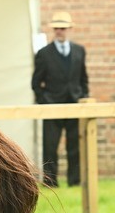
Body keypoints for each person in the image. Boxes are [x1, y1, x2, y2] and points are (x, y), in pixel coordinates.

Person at [31, 10, 89, 187]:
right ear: (53, 30)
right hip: (52, 107)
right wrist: (45, 101)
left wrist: (83, 96)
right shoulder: (44, 53)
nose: (59, 31)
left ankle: (75, 180)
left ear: (69, 29)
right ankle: (50, 182)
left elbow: (83, 78)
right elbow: (35, 83)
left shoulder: (79, 51)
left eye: (63, 28)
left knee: (75, 146)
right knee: (50, 146)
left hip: (74, 104)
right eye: (56, 28)